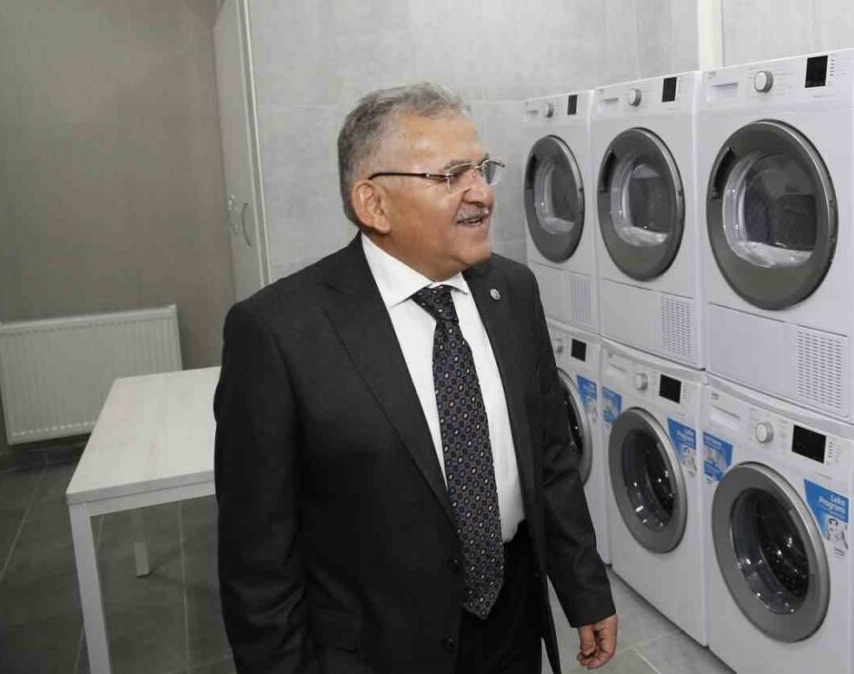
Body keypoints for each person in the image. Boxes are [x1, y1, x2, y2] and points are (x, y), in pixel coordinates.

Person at [214, 82, 617, 674]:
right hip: (379, 648)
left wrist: (585, 589)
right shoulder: (277, 333)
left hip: (510, 626)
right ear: (374, 204)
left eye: (482, 169)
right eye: (451, 175)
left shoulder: (513, 292)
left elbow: (551, 459)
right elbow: (258, 562)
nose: (482, 193)